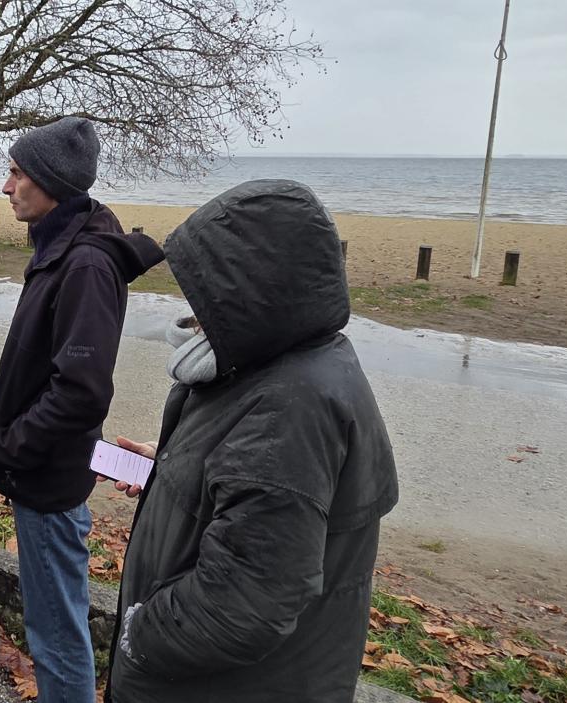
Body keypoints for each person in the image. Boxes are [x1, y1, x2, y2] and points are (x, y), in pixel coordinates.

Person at [103, 180, 399, 702]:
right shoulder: (270, 364)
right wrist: (169, 470)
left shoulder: (290, 408)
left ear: (253, 292)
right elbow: (247, 492)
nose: (190, 311)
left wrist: (138, 635)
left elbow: (244, 604)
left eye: (203, 292)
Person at [0, 116, 163, 702]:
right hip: (46, 476)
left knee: (56, 637)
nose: (5, 187)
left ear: (50, 181)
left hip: (48, 481)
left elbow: (80, 391)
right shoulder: (62, 249)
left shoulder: (84, 263)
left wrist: (12, 445)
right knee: (54, 629)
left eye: (15, 173)